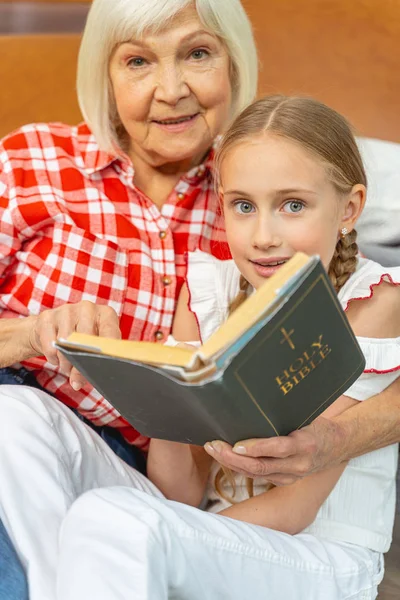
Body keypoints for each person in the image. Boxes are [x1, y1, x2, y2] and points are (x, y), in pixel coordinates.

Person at [3, 95, 400, 599]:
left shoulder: (372, 299)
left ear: (350, 208)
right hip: (205, 530)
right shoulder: (207, 289)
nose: (263, 236)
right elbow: (180, 493)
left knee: (113, 517)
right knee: (11, 413)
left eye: (293, 205)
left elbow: (296, 508)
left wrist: (167, 531)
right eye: (242, 206)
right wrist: (168, 399)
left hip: (317, 555)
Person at [0, 0, 257, 596]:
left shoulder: (259, 199)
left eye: (197, 53)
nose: (171, 90)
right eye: (138, 61)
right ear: (105, 75)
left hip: (129, 474)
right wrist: (32, 331)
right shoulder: (32, 162)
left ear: (234, 64)